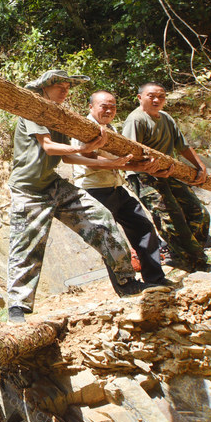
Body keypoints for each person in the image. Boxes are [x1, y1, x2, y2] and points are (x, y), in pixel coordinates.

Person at [6, 70, 153, 324]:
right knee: (26, 246)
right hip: (27, 190)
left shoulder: (61, 116)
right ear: (44, 88)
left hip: (53, 184)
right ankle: (17, 307)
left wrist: (109, 163)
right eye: (59, 86)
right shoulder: (33, 110)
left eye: (67, 87)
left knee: (102, 219)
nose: (65, 90)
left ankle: (127, 283)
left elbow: (67, 157)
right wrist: (83, 147)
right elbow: (49, 147)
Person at [71, 91, 170, 287]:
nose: (109, 110)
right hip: (95, 190)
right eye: (104, 106)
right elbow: (89, 159)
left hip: (116, 187)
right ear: (91, 107)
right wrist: (127, 165)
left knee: (143, 227)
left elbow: (123, 157)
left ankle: (155, 279)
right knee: (110, 238)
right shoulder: (84, 127)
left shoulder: (111, 128)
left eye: (113, 107)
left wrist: (142, 164)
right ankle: (126, 286)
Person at [122, 82, 211, 273]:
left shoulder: (166, 118)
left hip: (167, 173)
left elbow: (183, 146)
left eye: (161, 96)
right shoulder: (136, 120)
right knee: (170, 218)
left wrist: (200, 166)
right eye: (151, 96)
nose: (157, 100)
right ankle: (192, 260)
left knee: (199, 213)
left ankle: (182, 251)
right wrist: (149, 169)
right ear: (140, 97)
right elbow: (129, 152)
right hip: (142, 176)